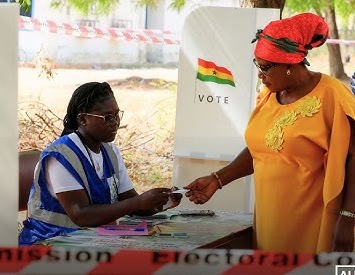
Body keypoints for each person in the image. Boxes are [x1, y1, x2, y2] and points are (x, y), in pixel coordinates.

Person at [185, 13, 355, 253]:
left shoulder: (332, 96)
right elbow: (262, 148)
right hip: (271, 220)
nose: (260, 75)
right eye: (258, 66)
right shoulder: (269, 95)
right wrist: (218, 179)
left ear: (289, 64)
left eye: (265, 68)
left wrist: (348, 217)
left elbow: (353, 157)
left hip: (312, 221)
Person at [19, 82, 182, 245]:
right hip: (49, 241)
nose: (115, 122)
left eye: (117, 115)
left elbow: (132, 203)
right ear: (83, 119)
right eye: (107, 117)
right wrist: (138, 202)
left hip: (91, 240)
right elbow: (80, 215)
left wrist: (163, 201)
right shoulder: (61, 155)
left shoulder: (111, 152)